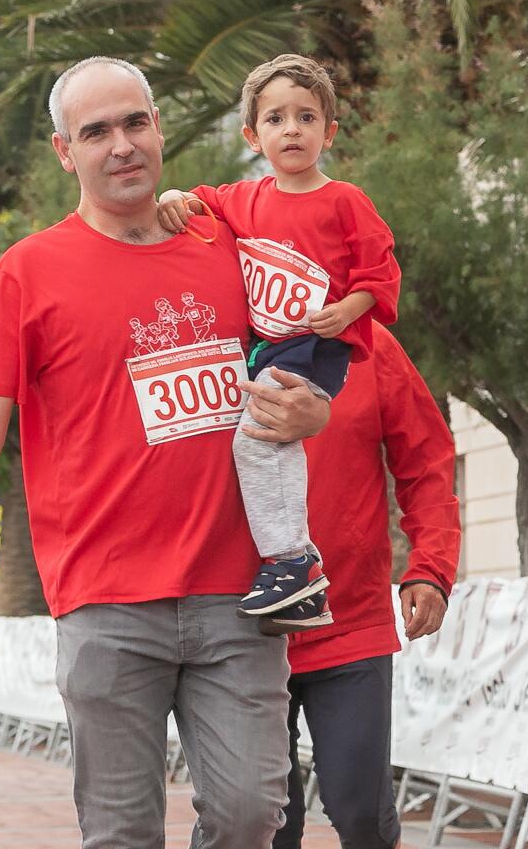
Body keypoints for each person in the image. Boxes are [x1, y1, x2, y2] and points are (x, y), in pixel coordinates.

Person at [0, 56, 330, 849]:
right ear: (66, 151)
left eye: (134, 123)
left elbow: (306, 360)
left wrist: (311, 409)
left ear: (159, 128)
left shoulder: (229, 244)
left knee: (250, 816)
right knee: (122, 833)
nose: (121, 145)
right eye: (97, 132)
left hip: (242, 594)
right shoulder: (28, 273)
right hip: (106, 602)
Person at [158, 54, 402, 633]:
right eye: (275, 119)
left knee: (260, 438)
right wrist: (174, 195)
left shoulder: (345, 200)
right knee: (250, 442)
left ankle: (292, 560)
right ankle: (299, 572)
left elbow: (382, 271)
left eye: (306, 116)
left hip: (314, 347)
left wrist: (349, 309)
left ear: (329, 131)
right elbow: (202, 200)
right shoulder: (248, 198)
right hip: (264, 346)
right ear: (253, 134)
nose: (291, 129)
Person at [272, 329, 458, 849]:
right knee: (261, 825)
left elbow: (425, 459)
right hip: (239, 634)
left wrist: (430, 567)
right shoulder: (217, 329)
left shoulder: (369, 345)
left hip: (349, 622)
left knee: (364, 819)